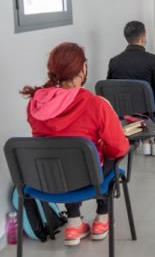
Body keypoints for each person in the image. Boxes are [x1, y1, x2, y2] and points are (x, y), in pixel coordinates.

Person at [21, 42, 129, 246]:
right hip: (88, 178)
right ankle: (102, 218)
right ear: (83, 69)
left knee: (64, 153)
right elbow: (118, 147)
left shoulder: (35, 103)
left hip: (47, 179)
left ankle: (73, 224)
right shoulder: (96, 104)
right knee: (110, 153)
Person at [107, 21, 155, 156]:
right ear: (142, 38)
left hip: (122, 111)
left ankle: (146, 142)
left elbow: (109, 88)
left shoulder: (114, 61)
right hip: (148, 110)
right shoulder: (154, 60)